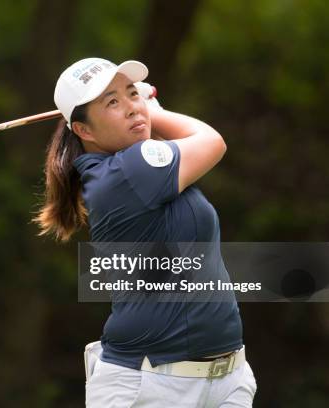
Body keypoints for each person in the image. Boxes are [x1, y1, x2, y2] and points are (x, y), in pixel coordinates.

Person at [34, 57, 258, 407]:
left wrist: (145, 107)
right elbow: (212, 141)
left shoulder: (137, 167)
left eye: (131, 93)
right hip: (150, 388)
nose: (130, 108)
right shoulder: (129, 170)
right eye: (112, 102)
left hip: (225, 381)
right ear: (84, 130)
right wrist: (154, 108)